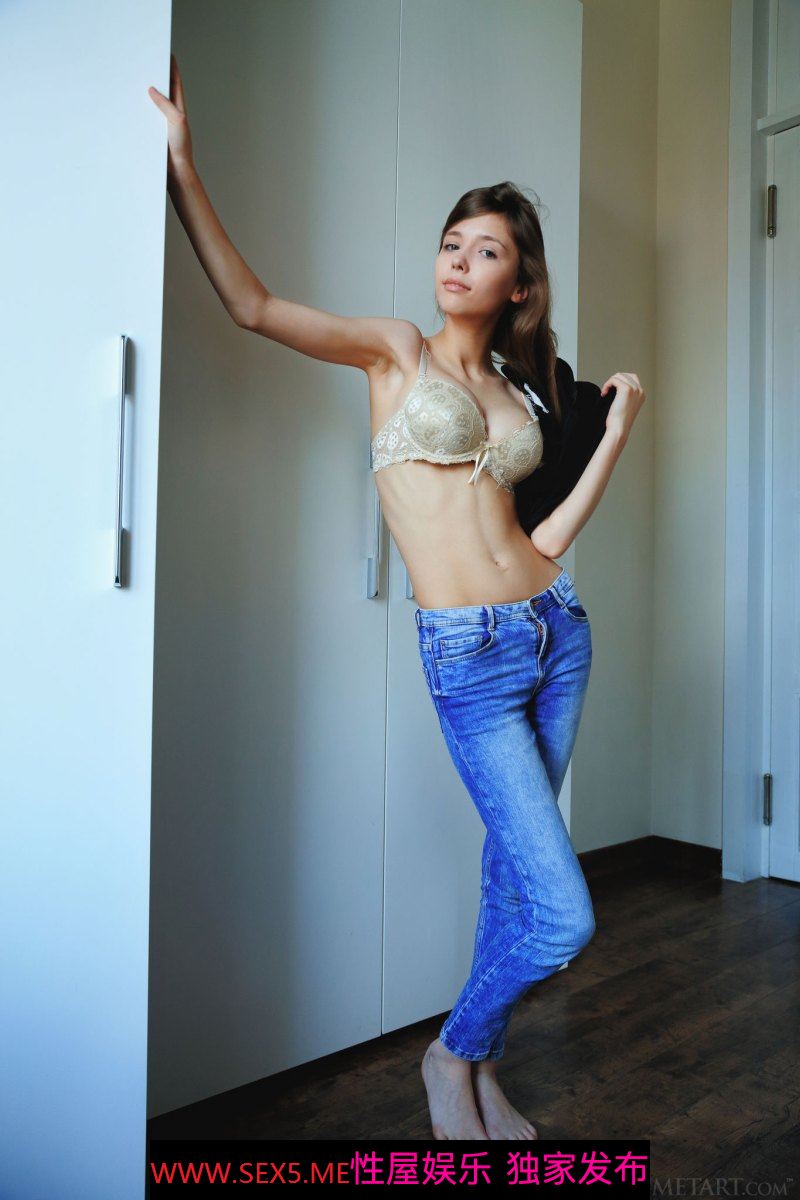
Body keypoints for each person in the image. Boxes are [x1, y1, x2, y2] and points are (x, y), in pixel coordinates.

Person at [149, 55, 646, 1143]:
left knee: (512, 882)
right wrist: (184, 165)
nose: (459, 260)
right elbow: (251, 306)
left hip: (555, 631)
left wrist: (610, 435)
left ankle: (478, 1074)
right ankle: (450, 1053)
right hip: (466, 652)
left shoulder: (519, 390)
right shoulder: (394, 354)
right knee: (561, 915)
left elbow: (543, 538)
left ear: (520, 284)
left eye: (487, 250)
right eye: (451, 242)